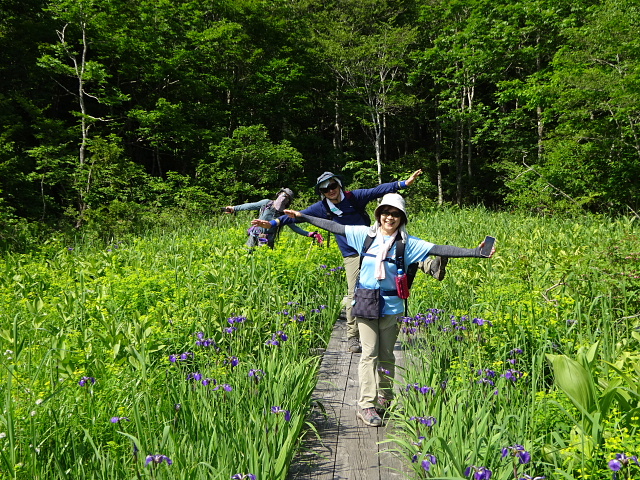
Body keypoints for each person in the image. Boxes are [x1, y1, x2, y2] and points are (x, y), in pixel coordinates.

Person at [283, 193, 495, 427]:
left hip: (392, 306)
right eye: (385, 212)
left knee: (386, 355)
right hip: (365, 303)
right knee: (369, 354)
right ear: (378, 214)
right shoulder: (365, 235)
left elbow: (441, 248)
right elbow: (334, 226)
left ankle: (385, 398)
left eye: (395, 214)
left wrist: (476, 251)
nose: (389, 217)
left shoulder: (408, 243)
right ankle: (366, 405)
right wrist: (302, 216)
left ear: (402, 217)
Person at [251, 170, 447, 354]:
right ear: (321, 192)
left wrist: (403, 183)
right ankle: (353, 337)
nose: (330, 191)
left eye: (333, 186)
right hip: (352, 253)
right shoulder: (322, 207)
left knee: (403, 249)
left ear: (339, 184)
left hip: (373, 244)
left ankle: (432, 266)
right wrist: (274, 223)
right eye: (325, 189)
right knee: (354, 292)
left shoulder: (354, 197)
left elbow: (377, 190)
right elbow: (298, 217)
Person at [223, 188, 323, 249]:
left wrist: (309, 234)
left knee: (264, 261)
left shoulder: (285, 214)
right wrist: (234, 208)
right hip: (254, 235)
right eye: (283, 195)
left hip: (269, 239)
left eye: (287, 197)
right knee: (247, 255)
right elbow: (250, 206)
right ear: (279, 194)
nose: (284, 198)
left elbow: (295, 228)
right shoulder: (266, 203)